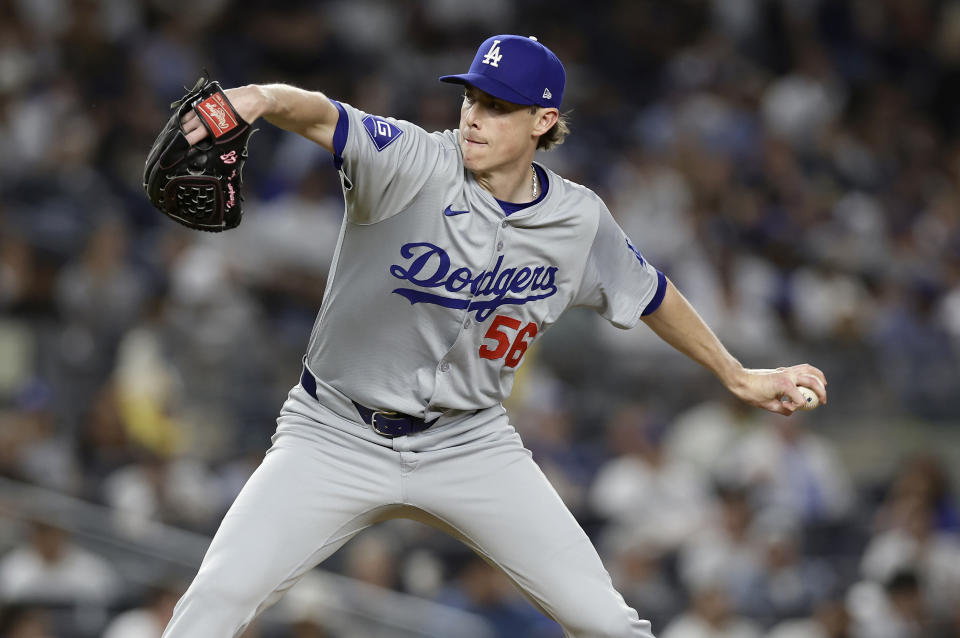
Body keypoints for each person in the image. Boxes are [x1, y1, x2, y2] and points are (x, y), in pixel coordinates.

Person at [162, 35, 827, 637]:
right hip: (334, 432)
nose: (474, 115)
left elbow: (651, 293)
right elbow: (317, 114)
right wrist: (258, 97)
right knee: (212, 604)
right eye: (472, 97)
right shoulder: (413, 159)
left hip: (468, 443)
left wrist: (738, 374)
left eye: (499, 105)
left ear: (543, 122)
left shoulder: (577, 220)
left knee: (610, 625)